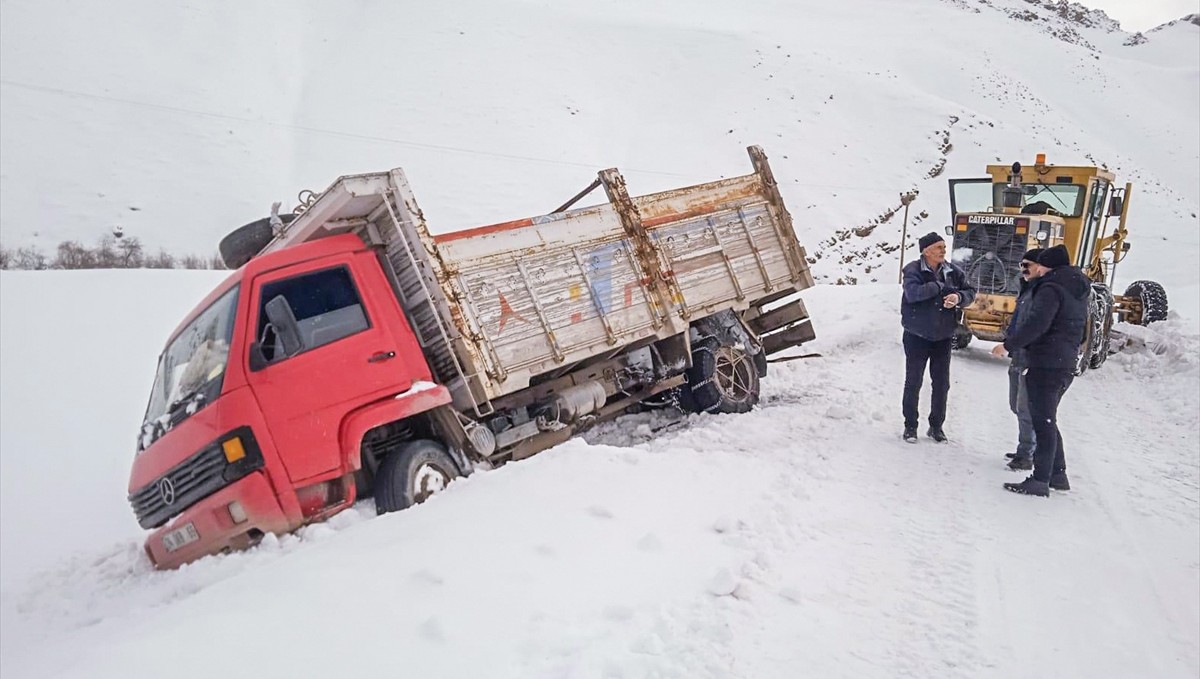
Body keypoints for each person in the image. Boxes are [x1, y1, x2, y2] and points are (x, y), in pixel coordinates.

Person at [993, 244, 1089, 496]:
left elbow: (1037, 324)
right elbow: (1084, 331)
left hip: (1045, 363)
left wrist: (1008, 345)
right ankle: (1058, 475)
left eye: (1042, 265)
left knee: (1042, 421)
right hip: (1064, 362)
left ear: (1049, 266)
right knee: (1047, 419)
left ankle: (1040, 480)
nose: (1040, 270)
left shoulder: (1050, 288)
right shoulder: (1078, 288)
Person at [900, 232, 977, 443]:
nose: (944, 250)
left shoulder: (953, 271)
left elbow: (971, 292)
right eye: (939, 247)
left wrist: (959, 297)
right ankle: (910, 426)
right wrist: (940, 287)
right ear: (926, 251)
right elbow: (913, 294)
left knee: (942, 383)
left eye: (944, 246)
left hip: (943, 336)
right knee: (913, 381)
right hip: (917, 335)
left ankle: (936, 426)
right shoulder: (913, 270)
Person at [991, 248, 1044, 470]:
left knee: (1025, 408)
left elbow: (1033, 326)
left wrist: (1010, 344)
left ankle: (1026, 454)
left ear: (1040, 268)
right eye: (1021, 265)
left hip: (1029, 357)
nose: (1023, 270)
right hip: (1018, 355)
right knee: (1015, 405)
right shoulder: (1027, 289)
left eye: (1027, 266)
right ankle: (1027, 447)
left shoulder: (1042, 293)